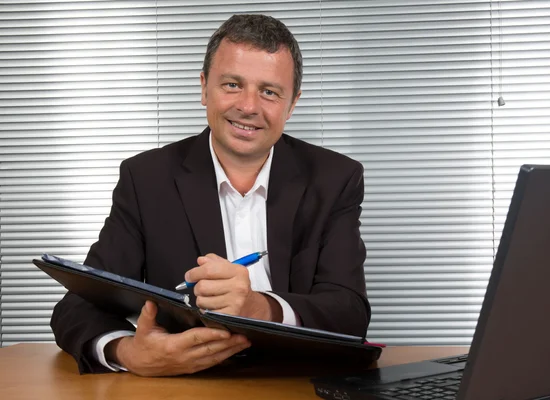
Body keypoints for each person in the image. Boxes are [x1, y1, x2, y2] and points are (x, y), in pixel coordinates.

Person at [50, 14, 370, 377]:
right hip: (185, 386)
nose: (248, 106)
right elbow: (76, 306)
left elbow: (349, 314)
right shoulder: (146, 179)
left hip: (297, 382)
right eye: (232, 85)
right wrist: (129, 353)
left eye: (269, 91)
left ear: (292, 103)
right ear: (204, 88)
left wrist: (258, 307)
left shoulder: (335, 178)